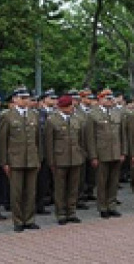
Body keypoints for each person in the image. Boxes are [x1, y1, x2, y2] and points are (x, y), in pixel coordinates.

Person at [0, 86, 41, 232]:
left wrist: (38, 158)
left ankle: (29, 219)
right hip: (15, 159)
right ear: (14, 99)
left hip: (31, 158)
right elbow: (2, 140)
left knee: (31, 191)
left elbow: (37, 139)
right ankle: (18, 221)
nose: (25, 101)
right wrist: (4, 161)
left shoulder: (34, 115)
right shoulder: (7, 115)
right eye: (22, 98)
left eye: (27, 98)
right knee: (16, 192)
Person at [44, 95, 87, 225]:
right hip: (60, 158)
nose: (72, 108)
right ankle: (61, 213)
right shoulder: (52, 120)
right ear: (63, 107)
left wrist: (82, 154)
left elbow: (81, 139)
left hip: (75, 157)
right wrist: (51, 161)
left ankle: (71, 212)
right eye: (70, 106)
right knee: (60, 188)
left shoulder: (76, 119)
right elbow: (49, 143)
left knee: (73, 187)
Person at [87, 89, 126, 218]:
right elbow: (90, 137)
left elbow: (122, 135)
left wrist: (123, 152)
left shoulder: (117, 113)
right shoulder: (93, 114)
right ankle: (103, 207)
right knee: (102, 182)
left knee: (114, 182)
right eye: (107, 99)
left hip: (115, 152)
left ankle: (112, 205)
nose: (110, 101)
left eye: (111, 99)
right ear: (100, 100)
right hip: (101, 153)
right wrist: (93, 155)